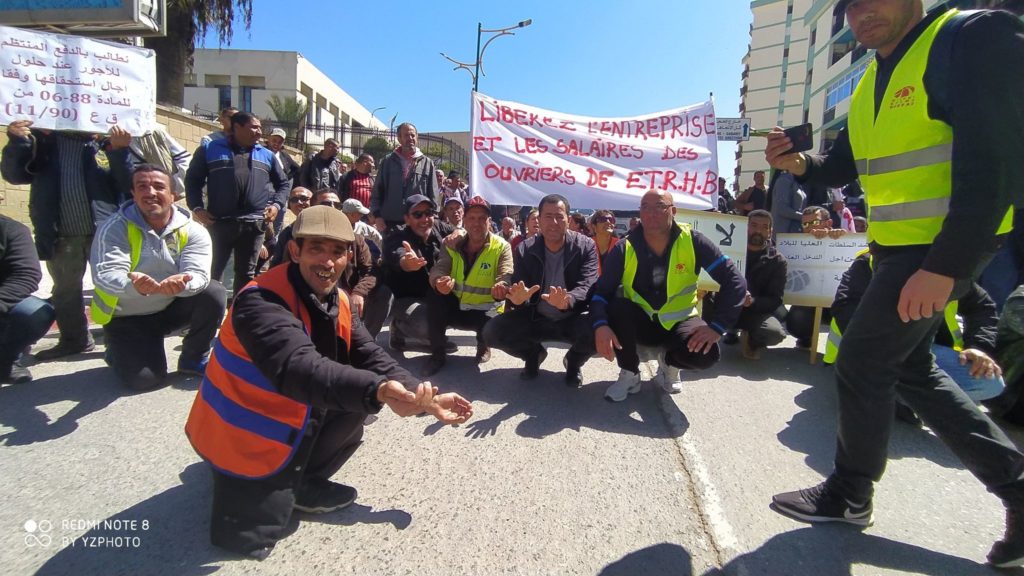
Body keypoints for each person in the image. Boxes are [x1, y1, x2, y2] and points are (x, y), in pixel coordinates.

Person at [763, 0, 1024, 568]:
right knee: (911, 369)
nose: (860, 13)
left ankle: (851, 493)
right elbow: (841, 168)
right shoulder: (869, 83)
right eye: (848, 6)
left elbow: (1000, 162)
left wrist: (948, 265)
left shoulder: (969, 37)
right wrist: (798, 163)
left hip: (939, 251)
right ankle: (1017, 487)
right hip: (896, 253)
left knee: (860, 361)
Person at [184, 205, 472, 559]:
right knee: (249, 537)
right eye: (316, 248)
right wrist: (378, 390)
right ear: (295, 251)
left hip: (288, 414)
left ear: (348, 255)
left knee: (355, 399)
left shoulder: (337, 297)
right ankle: (248, 477)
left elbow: (368, 353)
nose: (328, 261)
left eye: (337, 251)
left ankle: (301, 479)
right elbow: (298, 368)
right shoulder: (259, 301)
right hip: (240, 433)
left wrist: (421, 395)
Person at [592, 190, 745, 400]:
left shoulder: (694, 241)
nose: (651, 213)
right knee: (617, 306)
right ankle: (630, 372)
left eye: (659, 207)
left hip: (679, 321)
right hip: (642, 323)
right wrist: (600, 325)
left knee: (707, 354)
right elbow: (601, 292)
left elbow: (735, 281)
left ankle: (670, 364)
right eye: (645, 207)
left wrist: (717, 326)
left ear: (673, 211)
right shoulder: (623, 247)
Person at [1, 120, 132, 360]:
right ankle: (75, 340)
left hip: (103, 233)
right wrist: (17, 141)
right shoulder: (40, 141)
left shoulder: (104, 143)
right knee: (65, 291)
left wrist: (120, 150)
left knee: (113, 287)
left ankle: (119, 339)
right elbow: (14, 176)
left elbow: (127, 183)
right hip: (58, 232)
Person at [91, 165, 225, 390]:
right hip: (129, 316)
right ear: (133, 194)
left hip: (169, 306)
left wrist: (183, 283)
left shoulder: (194, 231)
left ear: (174, 195)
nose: (150, 192)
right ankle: (116, 348)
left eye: (158, 186)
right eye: (142, 186)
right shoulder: (114, 228)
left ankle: (193, 357)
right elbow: (104, 275)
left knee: (214, 292)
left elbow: (200, 275)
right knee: (145, 381)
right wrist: (135, 285)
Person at [483, 194, 598, 387]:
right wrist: (518, 299)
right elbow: (520, 287)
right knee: (492, 332)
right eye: (548, 216)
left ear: (568, 220)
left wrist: (568, 299)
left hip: (573, 316)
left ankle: (574, 362)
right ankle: (533, 355)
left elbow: (588, 284)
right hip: (536, 316)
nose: (553, 222)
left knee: (603, 328)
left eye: (559, 216)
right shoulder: (524, 249)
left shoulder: (586, 247)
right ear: (539, 220)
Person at [185, 112, 290, 296]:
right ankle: (210, 316)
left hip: (254, 225)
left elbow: (283, 184)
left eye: (260, 128)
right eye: (254, 127)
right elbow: (193, 180)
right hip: (219, 223)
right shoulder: (210, 149)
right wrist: (197, 207)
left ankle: (239, 317)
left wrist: (276, 205)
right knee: (212, 271)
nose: (259, 132)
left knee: (246, 274)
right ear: (237, 127)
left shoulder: (266, 155)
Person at [423, 196, 512, 376]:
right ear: (464, 220)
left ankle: (483, 344)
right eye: (471, 218)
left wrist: (502, 286)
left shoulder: (502, 246)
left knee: (493, 330)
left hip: (486, 309)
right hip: (457, 305)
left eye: (482, 218)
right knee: (433, 296)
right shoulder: (451, 242)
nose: (476, 223)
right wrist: (438, 281)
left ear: (489, 221)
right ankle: (437, 354)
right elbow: (439, 267)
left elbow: (506, 273)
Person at [381, 194, 456, 351]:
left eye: (428, 213)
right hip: (406, 299)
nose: (424, 219)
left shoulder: (438, 227)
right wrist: (408, 263)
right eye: (417, 214)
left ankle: (434, 332)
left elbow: (460, 232)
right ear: (407, 219)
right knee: (428, 325)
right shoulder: (396, 236)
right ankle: (399, 328)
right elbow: (399, 255)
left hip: (433, 295)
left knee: (458, 309)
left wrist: (459, 234)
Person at [719, 210, 788, 359]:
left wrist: (752, 302)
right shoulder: (727, 250)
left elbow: (775, 299)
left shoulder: (777, 261)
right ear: (745, 227)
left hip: (753, 311)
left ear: (770, 232)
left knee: (774, 333)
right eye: (754, 225)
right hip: (725, 307)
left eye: (764, 227)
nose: (758, 231)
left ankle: (752, 338)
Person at [0, 214, 55, 383]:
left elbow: (27, 275)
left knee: (37, 312)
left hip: (3, 301)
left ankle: (6, 360)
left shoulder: (12, 229)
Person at [785, 206, 845, 347]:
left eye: (814, 223)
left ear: (829, 223)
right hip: (810, 303)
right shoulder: (796, 246)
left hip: (837, 303)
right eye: (805, 224)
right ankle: (806, 336)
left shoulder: (841, 239)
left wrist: (841, 237)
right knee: (796, 321)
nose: (810, 228)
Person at [371, 123, 437, 233]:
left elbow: (433, 194)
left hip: (417, 222)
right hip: (390, 223)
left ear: (417, 137)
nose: (410, 138)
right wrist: (377, 216)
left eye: (413, 135)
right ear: (399, 138)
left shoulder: (427, 163)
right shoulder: (387, 162)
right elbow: (377, 192)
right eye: (406, 135)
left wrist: (433, 216)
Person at [589, 209, 619, 275]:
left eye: (611, 220)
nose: (608, 222)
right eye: (602, 219)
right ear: (594, 227)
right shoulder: (586, 245)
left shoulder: (620, 246)